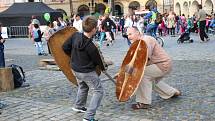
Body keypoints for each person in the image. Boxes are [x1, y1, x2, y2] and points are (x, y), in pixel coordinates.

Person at [124, 27, 181, 109]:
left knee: (142, 75)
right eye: (127, 35)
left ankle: (144, 102)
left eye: (130, 34)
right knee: (151, 80)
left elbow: (144, 59)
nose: (128, 37)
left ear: (138, 33)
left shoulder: (146, 40)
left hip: (163, 65)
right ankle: (172, 92)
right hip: (159, 65)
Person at [62, 16, 106, 121]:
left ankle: (78, 106)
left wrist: (73, 56)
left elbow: (65, 47)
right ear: (94, 29)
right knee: (99, 90)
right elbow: (97, 61)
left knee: (83, 86)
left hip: (75, 68)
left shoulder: (75, 35)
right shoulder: (91, 46)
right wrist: (103, 67)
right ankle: (89, 116)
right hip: (86, 72)